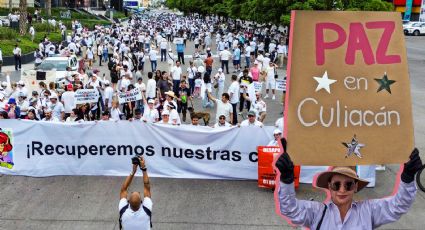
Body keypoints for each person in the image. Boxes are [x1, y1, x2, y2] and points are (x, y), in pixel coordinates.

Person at [275, 139, 423, 230]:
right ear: (329, 186)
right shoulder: (316, 212)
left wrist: (407, 177)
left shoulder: (368, 211)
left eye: (348, 185)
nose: (342, 190)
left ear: (355, 187)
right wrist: (287, 180)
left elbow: (398, 206)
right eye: (336, 185)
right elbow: (289, 209)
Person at [119, 156, 152, 230]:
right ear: (141, 202)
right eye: (139, 193)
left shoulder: (123, 210)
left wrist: (133, 171)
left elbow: (123, 189)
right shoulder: (147, 209)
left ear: (128, 202)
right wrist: (143, 169)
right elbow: (147, 187)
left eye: (132, 192)